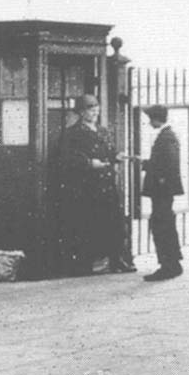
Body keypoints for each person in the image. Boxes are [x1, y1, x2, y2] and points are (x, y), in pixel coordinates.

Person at [54, 94, 135, 275]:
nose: (95, 113)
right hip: (86, 186)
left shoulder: (103, 131)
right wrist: (89, 164)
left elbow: (109, 151)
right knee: (88, 224)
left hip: (106, 183)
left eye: (96, 110)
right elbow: (67, 158)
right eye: (91, 110)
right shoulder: (71, 133)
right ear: (82, 113)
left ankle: (116, 260)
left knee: (113, 222)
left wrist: (116, 157)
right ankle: (87, 264)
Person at [139, 104, 184, 281]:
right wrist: (146, 163)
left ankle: (168, 265)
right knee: (165, 225)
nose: (150, 123)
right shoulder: (167, 136)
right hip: (164, 190)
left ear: (157, 118)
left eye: (151, 119)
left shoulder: (166, 137)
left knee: (161, 226)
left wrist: (159, 179)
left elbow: (168, 165)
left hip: (162, 191)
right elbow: (163, 162)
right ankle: (173, 263)